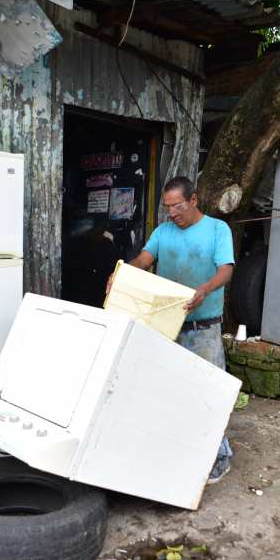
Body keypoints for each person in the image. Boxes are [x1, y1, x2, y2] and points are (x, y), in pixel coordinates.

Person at [107, 176, 235, 484]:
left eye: (177, 206)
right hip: (166, 324)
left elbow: (226, 270)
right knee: (167, 390)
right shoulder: (163, 232)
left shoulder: (218, 229)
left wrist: (204, 289)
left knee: (208, 393)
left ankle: (219, 458)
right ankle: (176, 451)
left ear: (193, 200)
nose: (172, 213)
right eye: (168, 207)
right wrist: (121, 272)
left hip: (203, 327)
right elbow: (145, 259)